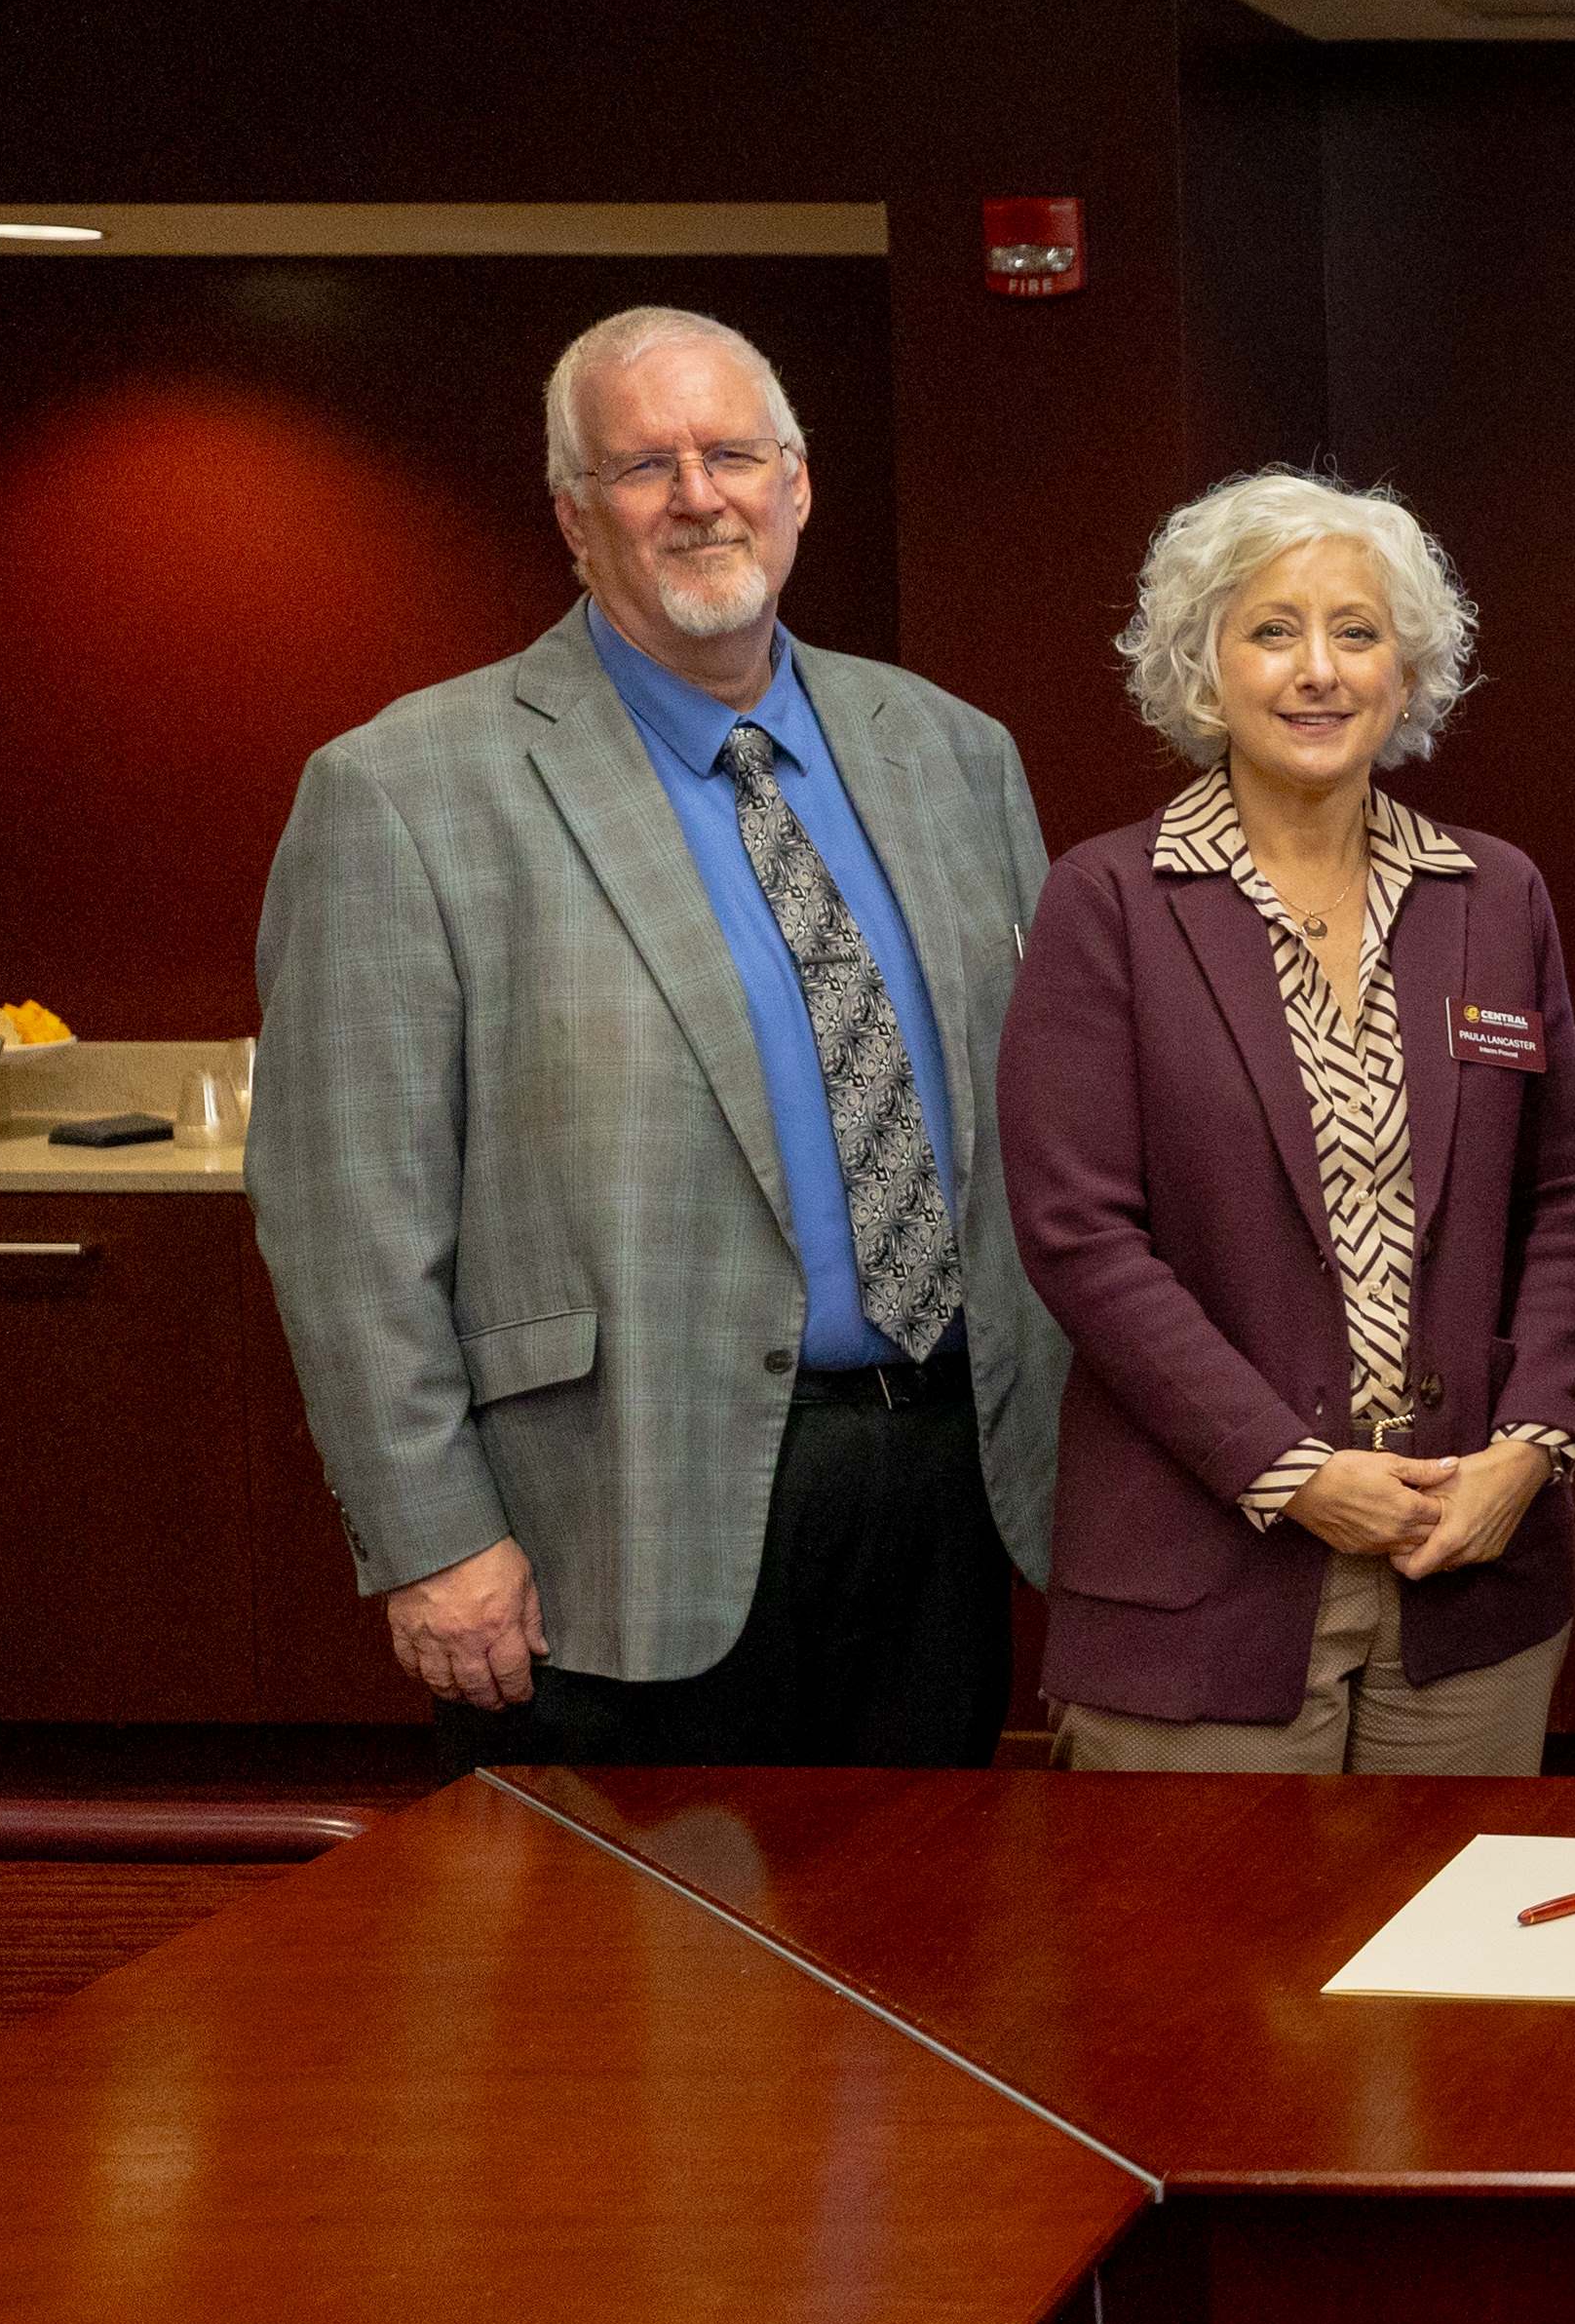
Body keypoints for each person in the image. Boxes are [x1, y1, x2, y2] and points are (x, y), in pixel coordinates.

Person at [251, 305, 1058, 1764]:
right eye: (643, 466)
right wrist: (434, 1536)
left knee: (928, 1953)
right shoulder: (405, 788)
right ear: (574, 515)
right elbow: (343, 1219)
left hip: (941, 1492)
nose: (698, 495)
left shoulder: (952, 753)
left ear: (796, 485)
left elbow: (1035, 1130)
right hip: (606, 1526)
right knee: (628, 1983)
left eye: (731, 453)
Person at [1000, 473, 1575, 1774]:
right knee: (1213, 1974)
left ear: (1408, 667)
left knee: (1452, 1972)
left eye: (1357, 631)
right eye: (1273, 629)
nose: (1318, 670)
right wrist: (1292, 1469)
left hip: (1467, 1564)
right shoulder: (1107, 900)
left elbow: (1556, 1205)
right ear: (1204, 664)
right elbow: (1080, 1239)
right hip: (1205, 1573)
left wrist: (1530, 1446)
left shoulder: (1494, 894)